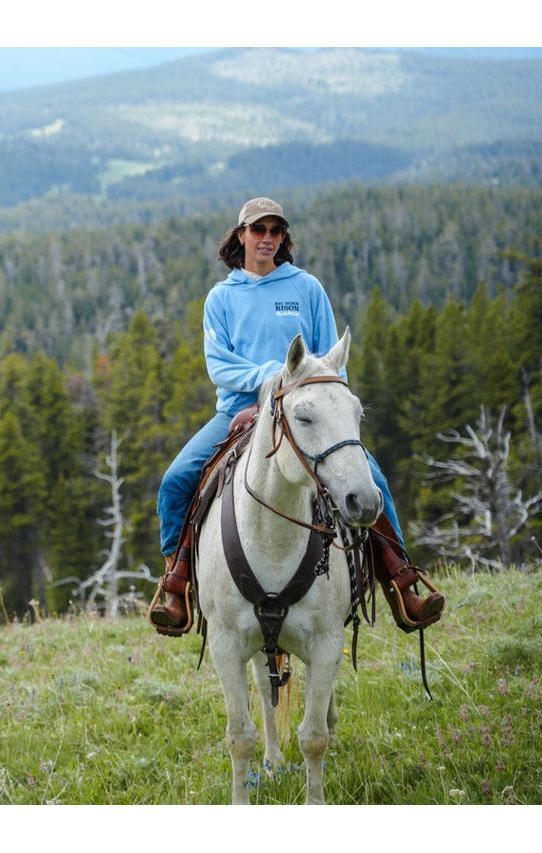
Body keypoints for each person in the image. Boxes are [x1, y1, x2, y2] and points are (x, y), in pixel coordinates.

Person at [149, 198, 445, 635]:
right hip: (239, 408)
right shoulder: (222, 297)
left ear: (284, 237)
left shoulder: (307, 288)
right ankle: (178, 583)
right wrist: (271, 380)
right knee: (176, 482)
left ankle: (401, 581)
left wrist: (311, 395)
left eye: (275, 230)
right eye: (258, 230)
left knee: (371, 482)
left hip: (308, 409)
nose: (267, 238)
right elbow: (221, 366)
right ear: (241, 236)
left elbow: (332, 360)